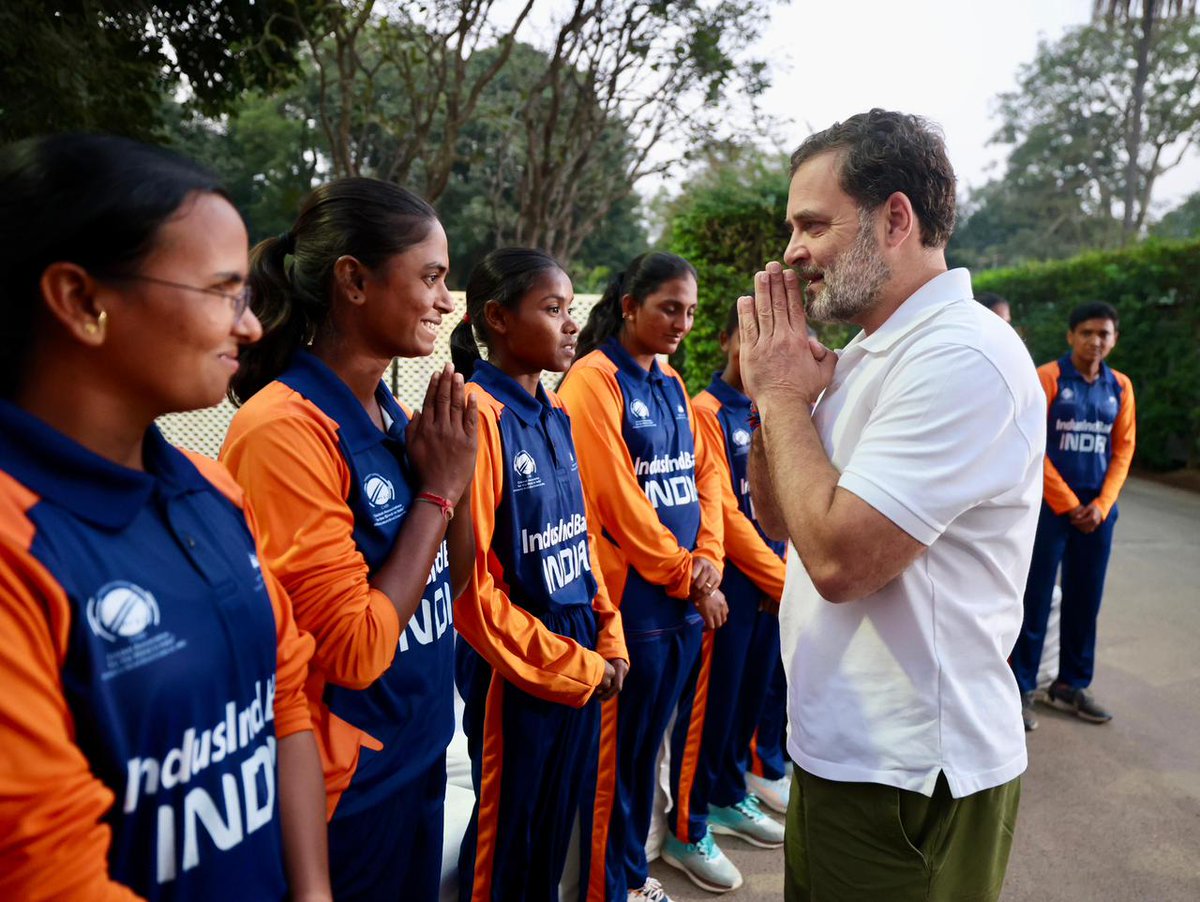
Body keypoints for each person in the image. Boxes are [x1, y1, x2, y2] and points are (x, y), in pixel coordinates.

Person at [0, 134, 329, 900]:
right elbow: (47, 873)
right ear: (82, 301)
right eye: (225, 292)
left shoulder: (208, 490)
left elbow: (283, 700)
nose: (250, 328)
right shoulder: (18, 547)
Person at [740, 110, 1045, 902]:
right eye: (791, 227)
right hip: (843, 751)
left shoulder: (961, 356)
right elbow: (785, 524)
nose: (792, 251)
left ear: (896, 218)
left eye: (812, 223)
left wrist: (779, 395)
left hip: (913, 776)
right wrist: (770, 407)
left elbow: (840, 560)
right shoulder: (872, 349)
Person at [220, 178, 477, 901]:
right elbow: (354, 652)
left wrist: (456, 478)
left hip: (418, 757)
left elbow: (448, 590)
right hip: (347, 795)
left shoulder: (395, 417)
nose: (446, 302)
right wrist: (436, 492)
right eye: (430, 277)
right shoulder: (285, 431)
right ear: (355, 280)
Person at [446, 248, 629, 901]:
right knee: (506, 841)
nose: (570, 323)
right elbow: (474, 592)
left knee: (552, 834)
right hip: (518, 668)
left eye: (570, 308)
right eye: (552, 309)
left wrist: (609, 637)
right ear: (496, 318)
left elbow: (580, 542)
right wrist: (575, 665)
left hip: (579, 655)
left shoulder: (554, 412)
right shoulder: (478, 417)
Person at [559, 252, 728, 902]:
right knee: (615, 763)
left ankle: (629, 875)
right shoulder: (592, 382)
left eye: (688, 311)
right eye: (668, 308)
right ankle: (606, 888)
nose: (681, 322)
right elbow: (615, 501)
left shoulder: (671, 381)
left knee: (644, 753)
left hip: (683, 602)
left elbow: (703, 477)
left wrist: (706, 558)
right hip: (636, 607)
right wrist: (692, 575)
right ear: (629, 306)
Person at [660, 302, 788, 893]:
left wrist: (782, 573)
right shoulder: (705, 409)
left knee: (747, 698)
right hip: (734, 587)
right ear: (728, 340)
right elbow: (725, 512)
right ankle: (689, 824)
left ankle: (729, 793)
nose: (759, 350)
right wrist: (776, 579)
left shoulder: (770, 410)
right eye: (749, 337)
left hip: (768, 584)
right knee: (706, 712)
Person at [1011, 301, 1135, 730]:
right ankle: (1020, 688)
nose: (1095, 341)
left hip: (1097, 514)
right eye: (1087, 332)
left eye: (1104, 333)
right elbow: (1033, 445)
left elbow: (1123, 450)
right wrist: (1067, 502)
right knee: (1035, 598)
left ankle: (1071, 685)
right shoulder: (1047, 378)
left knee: (1085, 600)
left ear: (1114, 339)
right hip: (1050, 509)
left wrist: (1101, 505)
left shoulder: (1120, 387)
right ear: (1070, 336)